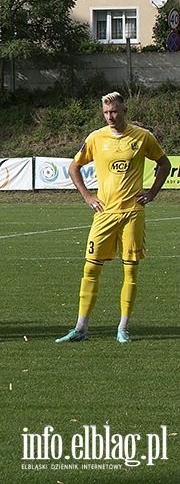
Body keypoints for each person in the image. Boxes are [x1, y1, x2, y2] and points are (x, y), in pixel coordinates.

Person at [57, 91, 170, 344]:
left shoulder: (142, 137)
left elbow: (164, 164)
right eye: (107, 112)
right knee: (90, 269)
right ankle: (81, 328)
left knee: (130, 271)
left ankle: (123, 328)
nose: (110, 116)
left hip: (132, 213)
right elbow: (74, 166)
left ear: (124, 111)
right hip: (104, 214)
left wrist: (152, 192)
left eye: (115, 111)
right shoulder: (96, 138)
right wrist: (87, 195)